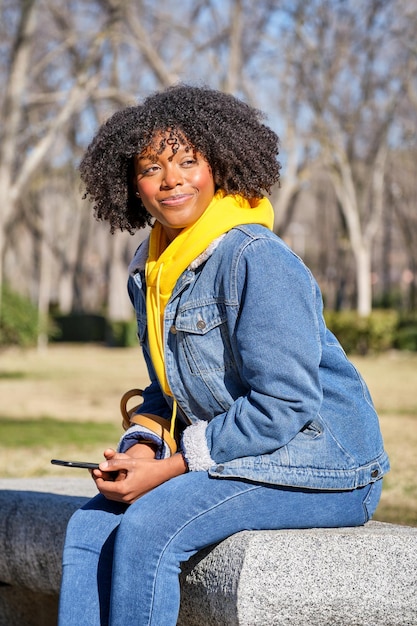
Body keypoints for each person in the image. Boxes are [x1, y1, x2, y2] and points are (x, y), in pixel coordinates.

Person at [58, 84, 390, 626]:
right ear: (130, 185)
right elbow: (168, 393)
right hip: (238, 456)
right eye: (151, 168)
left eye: (189, 161)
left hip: (325, 469)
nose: (172, 180)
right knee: (90, 527)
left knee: (149, 525)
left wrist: (172, 467)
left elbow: (286, 403)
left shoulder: (255, 258)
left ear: (219, 166)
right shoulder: (155, 271)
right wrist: (142, 447)